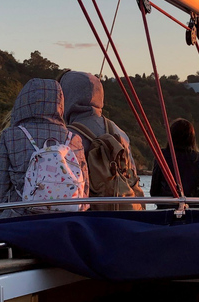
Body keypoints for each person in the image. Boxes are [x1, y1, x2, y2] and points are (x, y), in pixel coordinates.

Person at [0, 78, 89, 219]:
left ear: (23, 102)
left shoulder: (11, 135)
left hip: (19, 220)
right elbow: (84, 195)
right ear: (60, 102)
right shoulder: (74, 139)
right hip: (64, 222)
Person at [59, 71, 143, 208]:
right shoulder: (120, 133)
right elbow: (132, 176)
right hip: (124, 215)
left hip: (89, 220)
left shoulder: (67, 136)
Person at [150, 118, 199, 199]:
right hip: (194, 209)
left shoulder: (162, 157)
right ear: (192, 138)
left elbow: (154, 191)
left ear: (171, 136)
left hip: (166, 208)